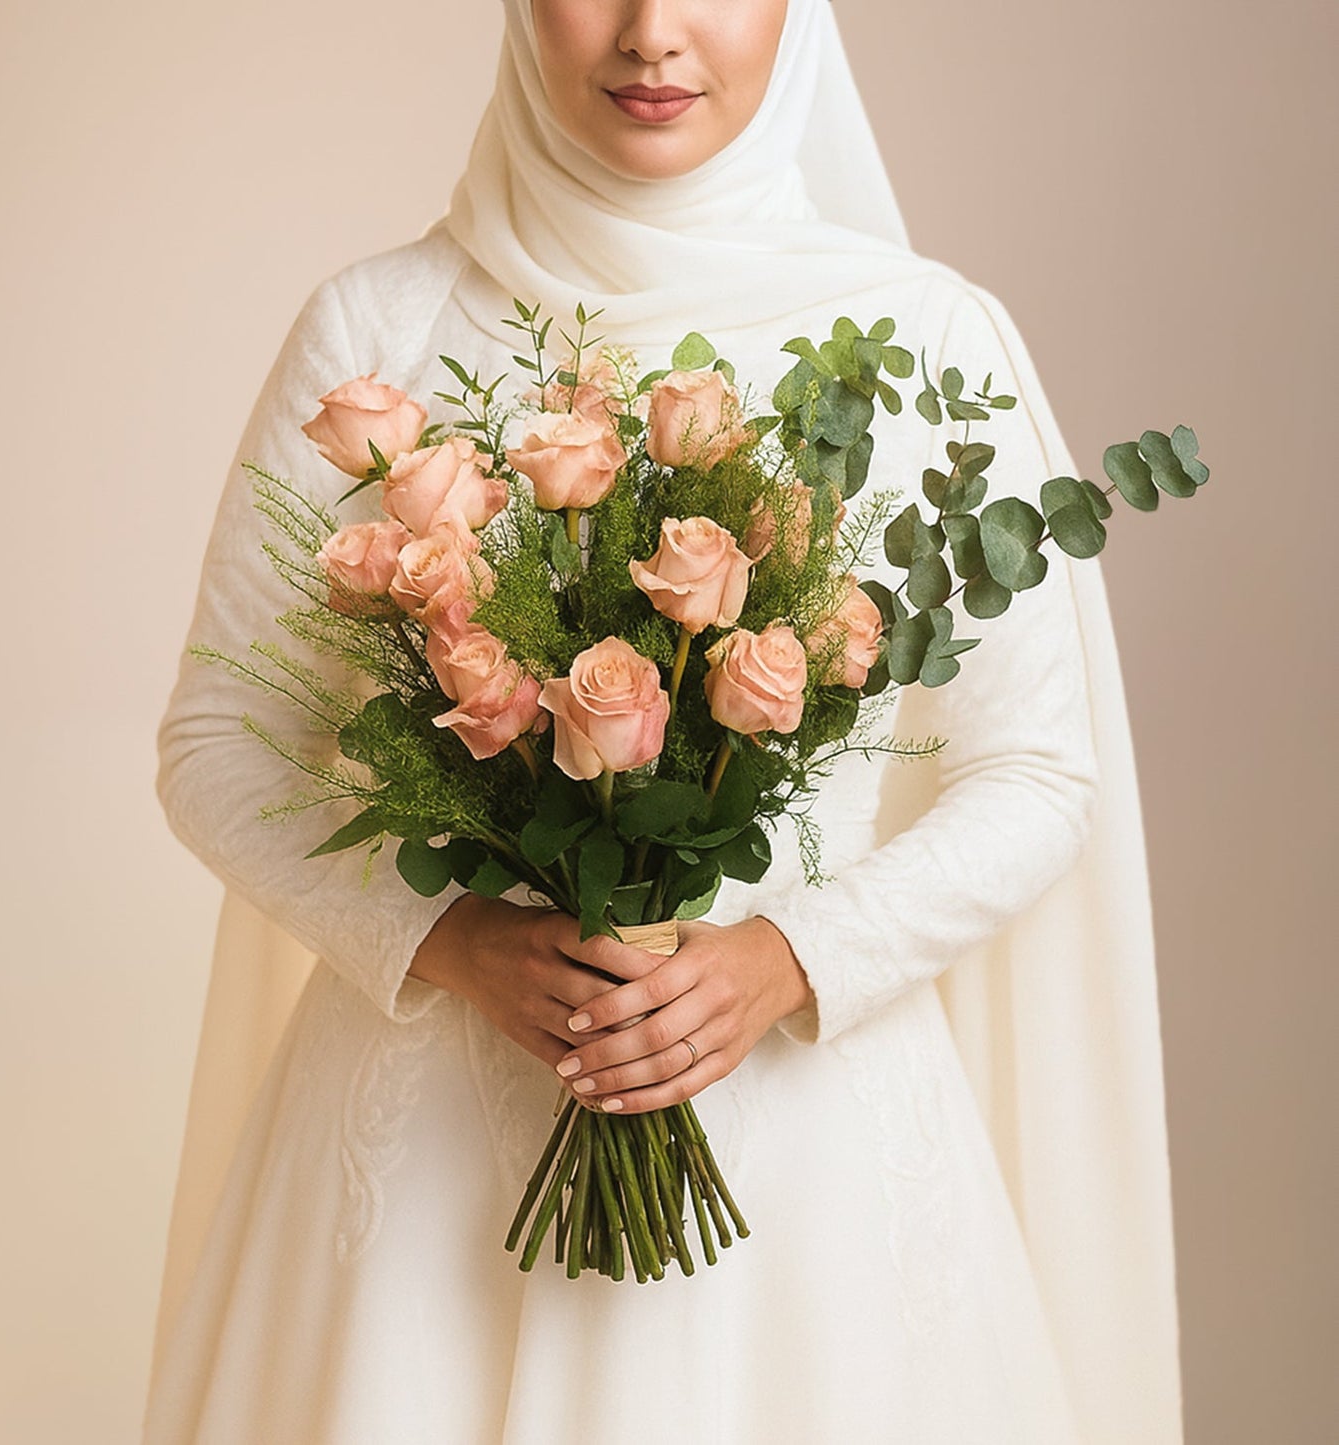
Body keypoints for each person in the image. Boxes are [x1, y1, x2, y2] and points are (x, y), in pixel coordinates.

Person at [143, 1, 1182, 1440]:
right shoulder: (380, 330)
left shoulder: (932, 335)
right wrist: (450, 942)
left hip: (809, 1171)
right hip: (434, 1157)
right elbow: (217, 746)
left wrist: (786, 958)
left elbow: (1035, 771)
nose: (650, 33)